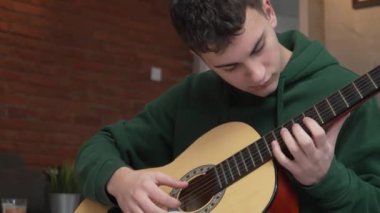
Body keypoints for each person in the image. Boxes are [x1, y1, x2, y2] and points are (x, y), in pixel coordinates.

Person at [75, 0, 380, 212]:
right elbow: (98, 148)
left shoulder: (346, 94)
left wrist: (326, 178)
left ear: (269, 11)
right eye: (230, 67)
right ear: (201, 57)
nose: (257, 74)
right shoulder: (194, 96)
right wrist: (121, 181)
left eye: (258, 48)